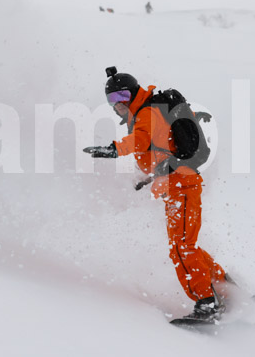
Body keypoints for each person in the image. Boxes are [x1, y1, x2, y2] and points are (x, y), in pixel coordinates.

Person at [83, 67, 230, 323]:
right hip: (178, 186)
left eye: (122, 96)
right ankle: (227, 289)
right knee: (185, 246)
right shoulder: (150, 111)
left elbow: (139, 140)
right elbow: (162, 150)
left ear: (133, 93)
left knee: (182, 248)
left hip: (182, 186)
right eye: (112, 100)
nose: (118, 104)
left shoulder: (146, 113)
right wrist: (149, 177)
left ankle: (207, 302)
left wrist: (114, 149)